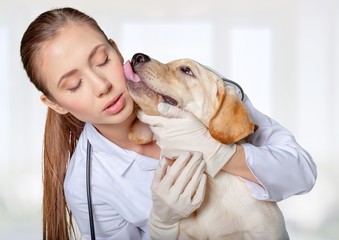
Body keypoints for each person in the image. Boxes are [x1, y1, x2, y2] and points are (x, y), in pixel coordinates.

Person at [20, 7, 316, 240]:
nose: (102, 85)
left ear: (116, 49)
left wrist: (220, 152)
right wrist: (162, 225)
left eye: (102, 60)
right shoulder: (88, 184)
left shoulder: (195, 84)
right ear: (55, 103)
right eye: (74, 85)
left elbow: (301, 173)